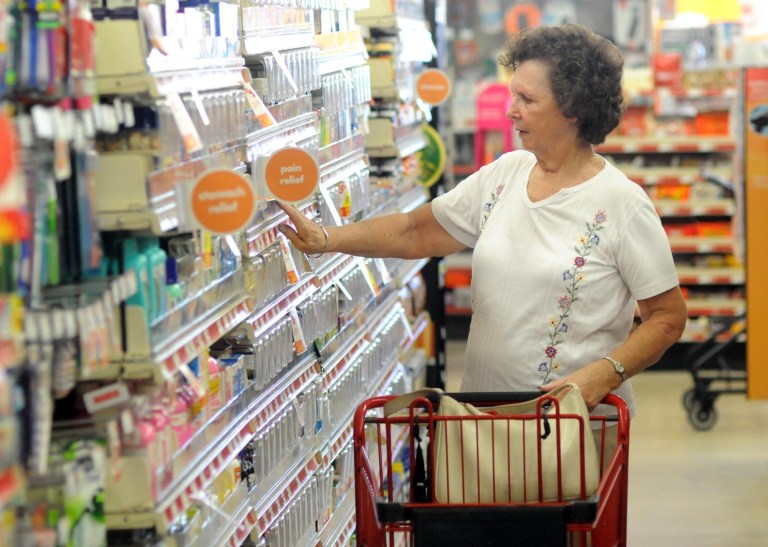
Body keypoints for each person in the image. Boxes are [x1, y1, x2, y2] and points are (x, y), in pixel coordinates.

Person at [278, 24, 687, 420]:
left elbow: (667, 317)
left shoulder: (621, 203)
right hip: (484, 419)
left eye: (526, 99)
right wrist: (326, 238)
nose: (511, 111)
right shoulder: (505, 174)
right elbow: (414, 231)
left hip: (572, 428)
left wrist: (606, 373)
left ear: (572, 110)